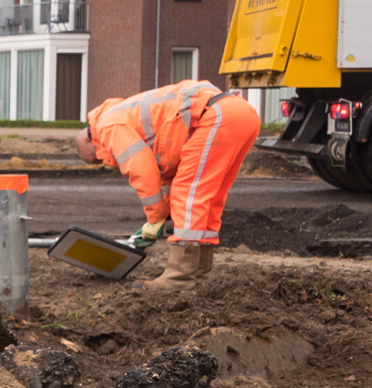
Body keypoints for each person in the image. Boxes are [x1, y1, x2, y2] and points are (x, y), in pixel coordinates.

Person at [76, 80, 260, 288]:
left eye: (97, 158)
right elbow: (163, 177)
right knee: (208, 196)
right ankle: (198, 271)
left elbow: (142, 170)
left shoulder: (108, 126)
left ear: (89, 141)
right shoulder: (127, 117)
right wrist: (162, 213)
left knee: (188, 192)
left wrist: (154, 219)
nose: (104, 160)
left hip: (217, 115)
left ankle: (180, 277)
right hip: (240, 115)